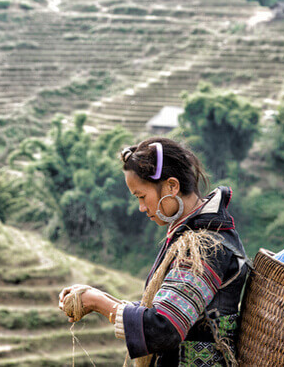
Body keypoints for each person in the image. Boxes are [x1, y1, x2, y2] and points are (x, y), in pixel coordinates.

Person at [59, 137, 249, 366]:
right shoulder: (192, 235)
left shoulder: (204, 247)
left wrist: (99, 303)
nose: (141, 207)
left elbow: (163, 327)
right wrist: (96, 298)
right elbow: (164, 310)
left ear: (172, 186)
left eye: (142, 196)